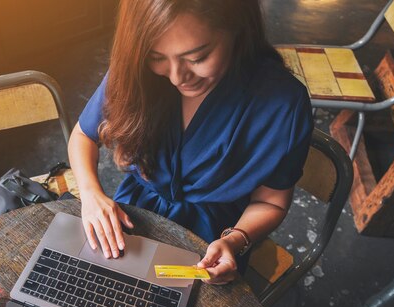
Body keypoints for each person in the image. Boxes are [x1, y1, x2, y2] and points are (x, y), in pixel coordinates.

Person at [68, 0, 313, 285]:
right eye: (157, 57)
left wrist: (235, 241)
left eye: (197, 58)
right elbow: (83, 135)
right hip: (131, 222)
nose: (176, 77)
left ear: (237, 28)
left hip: (210, 245)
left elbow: (271, 202)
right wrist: (91, 195)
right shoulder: (137, 72)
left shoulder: (283, 104)